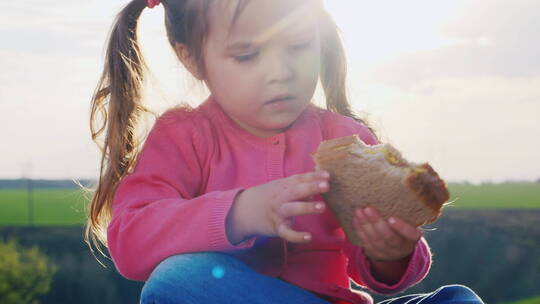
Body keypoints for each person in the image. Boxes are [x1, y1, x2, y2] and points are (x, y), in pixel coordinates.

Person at [86, 0, 485, 303]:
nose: (281, 71)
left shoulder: (342, 138)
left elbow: (375, 271)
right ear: (190, 57)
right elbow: (129, 241)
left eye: (298, 46)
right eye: (247, 55)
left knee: (458, 298)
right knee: (177, 280)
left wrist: (390, 253)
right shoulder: (184, 137)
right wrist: (238, 213)